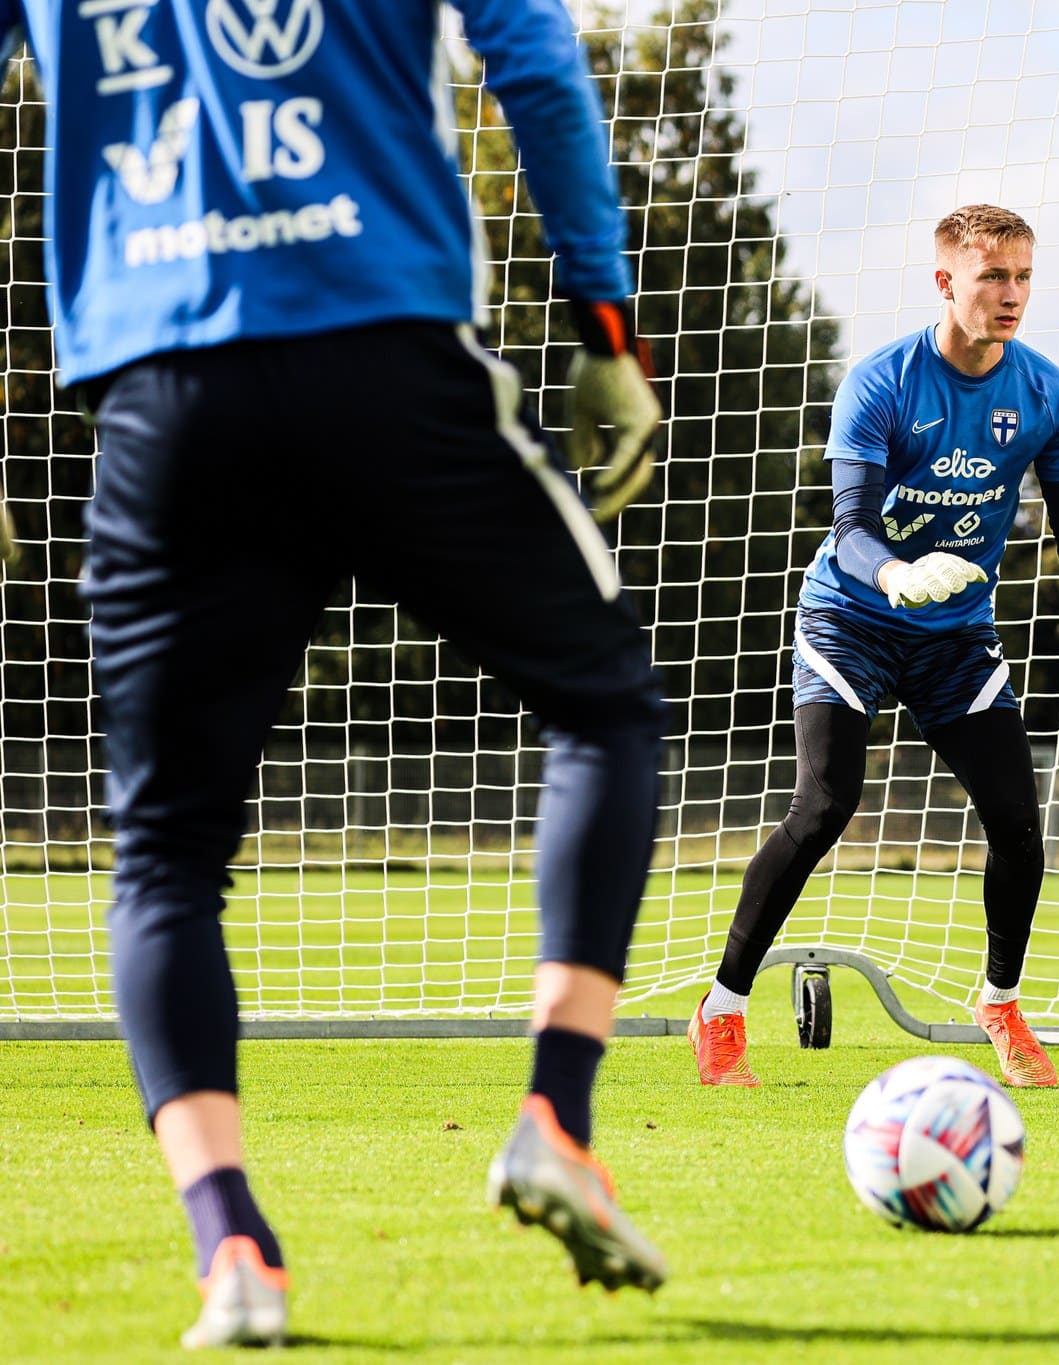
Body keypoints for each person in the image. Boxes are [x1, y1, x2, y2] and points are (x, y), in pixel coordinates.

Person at [0, 0, 671, 1345]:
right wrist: (604, 319)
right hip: (383, 354)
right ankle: (556, 1114)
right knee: (603, 707)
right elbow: (533, 57)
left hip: (159, 399)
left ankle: (231, 1249)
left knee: (164, 855)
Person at [689, 204, 1059, 1091]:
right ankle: (724, 1009)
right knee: (825, 807)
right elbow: (849, 525)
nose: (1011, 296)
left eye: (1022, 278)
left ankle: (1000, 1004)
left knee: (1017, 823)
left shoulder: (1047, 394)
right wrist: (896, 575)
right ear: (947, 282)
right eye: (992, 278)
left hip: (956, 638)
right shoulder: (881, 383)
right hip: (850, 622)